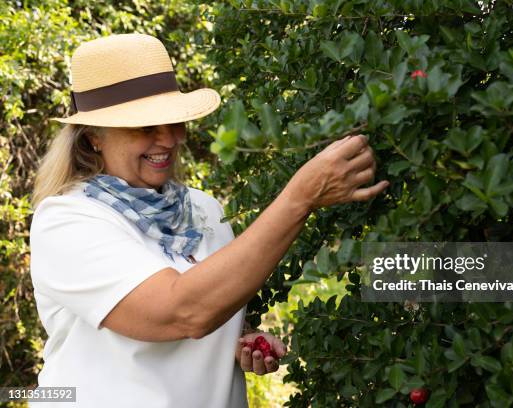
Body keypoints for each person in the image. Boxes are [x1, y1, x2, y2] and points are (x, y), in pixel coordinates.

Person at [28, 33, 389, 408]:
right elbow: (181, 312)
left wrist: (235, 339)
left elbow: (205, 307)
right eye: (145, 126)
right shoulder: (68, 221)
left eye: (174, 122)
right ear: (93, 138)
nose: (169, 139)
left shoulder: (204, 210)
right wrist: (300, 197)